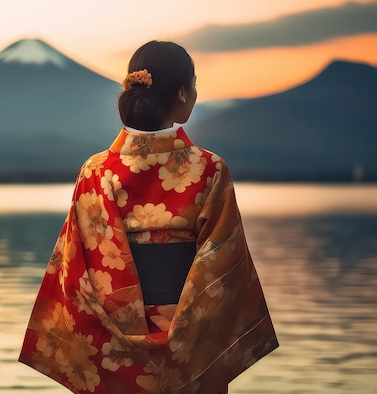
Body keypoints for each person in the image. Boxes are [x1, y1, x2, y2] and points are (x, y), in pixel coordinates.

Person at [19, 40, 278, 394]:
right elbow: (224, 268)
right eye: (195, 85)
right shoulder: (209, 169)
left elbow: (74, 271)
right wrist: (187, 332)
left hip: (112, 338)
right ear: (184, 94)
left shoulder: (95, 172)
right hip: (190, 335)